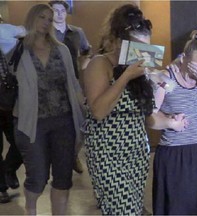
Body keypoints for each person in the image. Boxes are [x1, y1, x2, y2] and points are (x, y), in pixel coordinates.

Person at [82, 4, 154, 215]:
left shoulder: (139, 69)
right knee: (122, 210)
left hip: (137, 150)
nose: (141, 51)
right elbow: (98, 111)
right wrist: (125, 77)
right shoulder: (100, 63)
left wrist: (155, 83)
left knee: (134, 207)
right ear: (121, 42)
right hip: (108, 151)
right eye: (137, 45)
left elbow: (147, 113)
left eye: (145, 45)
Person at [147, 31, 197, 215]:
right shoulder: (165, 77)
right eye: (195, 68)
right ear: (183, 58)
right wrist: (170, 122)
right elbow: (149, 117)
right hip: (177, 154)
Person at [12, 4, 83, 215]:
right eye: (41, 17)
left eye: (49, 19)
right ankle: (31, 208)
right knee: (38, 176)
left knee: (63, 177)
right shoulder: (17, 49)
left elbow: (73, 83)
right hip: (31, 122)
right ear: (31, 18)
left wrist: (85, 109)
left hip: (64, 121)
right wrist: (22, 32)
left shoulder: (61, 49)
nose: (45, 22)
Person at [48, 0, 92, 174]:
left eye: (62, 10)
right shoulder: (45, 33)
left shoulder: (76, 32)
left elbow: (87, 49)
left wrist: (85, 63)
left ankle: (73, 156)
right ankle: (58, 163)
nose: (59, 13)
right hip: (50, 86)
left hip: (73, 83)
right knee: (57, 126)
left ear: (66, 13)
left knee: (81, 121)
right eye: (55, 10)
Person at [0, 15, 25, 204]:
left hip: (8, 102)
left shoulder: (8, 32)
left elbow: (25, 31)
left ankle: (8, 170)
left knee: (20, 142)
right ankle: (2, 188)